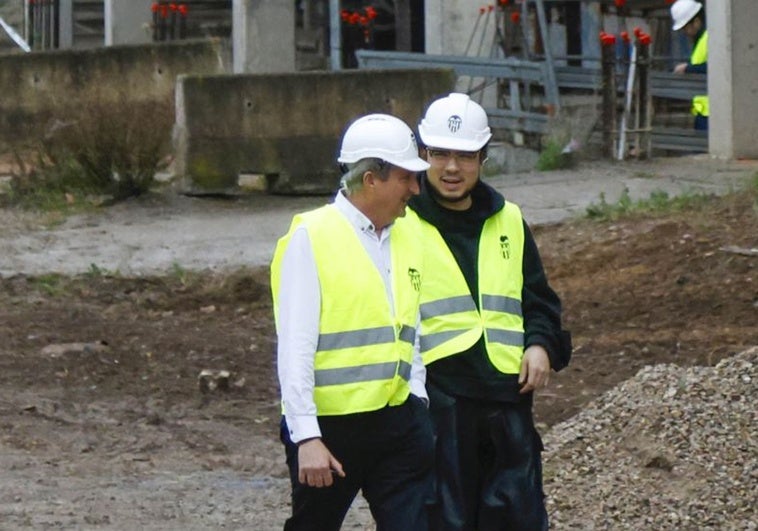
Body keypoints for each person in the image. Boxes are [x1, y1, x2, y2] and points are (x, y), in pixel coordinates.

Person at [407, 93, 572, 531]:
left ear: (483, 156)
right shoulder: (401, 223)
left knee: (516, 520)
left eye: (464, 155)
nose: (451, 167)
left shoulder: (508, 220)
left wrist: (539, 345)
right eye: (439, 153)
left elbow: (539, 301)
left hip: (506, 402)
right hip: (440, 404)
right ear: (423, 154)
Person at [270, 113, 434, 531]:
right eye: (406, 177)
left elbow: (408, 327)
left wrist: (417, 396)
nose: (416, 189)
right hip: (331, 433)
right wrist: (306, 436)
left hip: (398, 423)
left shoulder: (405, 233)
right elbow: (295, 346)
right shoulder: (313, 237)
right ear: (371, 179)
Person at [671, 0, 708, 130]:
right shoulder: (701, 40)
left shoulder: (710, 38)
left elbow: (717, 67)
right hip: (703, 111)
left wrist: (688, 68)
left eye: (685, 27)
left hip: (713, 113)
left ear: (696, 22)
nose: (684, 32)